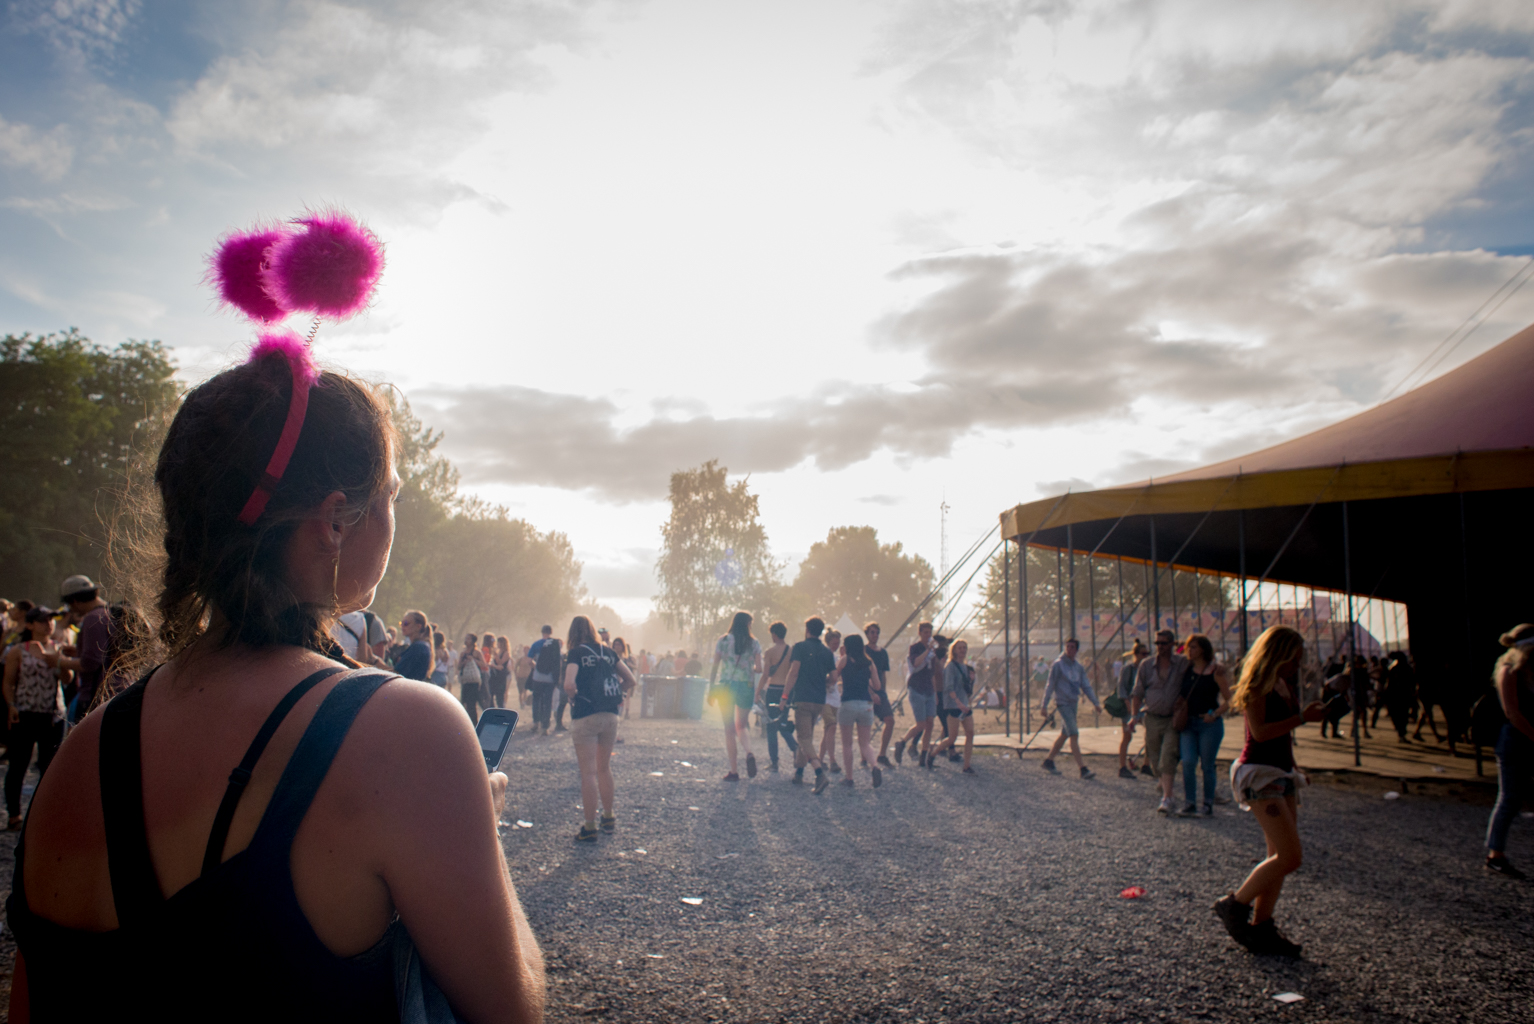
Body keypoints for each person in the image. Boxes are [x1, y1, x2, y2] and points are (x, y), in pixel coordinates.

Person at [5, 341, 544, 1020]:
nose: (394, 519)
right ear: (335, 520)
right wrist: (478, 831)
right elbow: (514, 1009)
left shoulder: (81, 757)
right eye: (392, 496)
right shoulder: (406, 731)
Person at [1214, 626, 1327, 958]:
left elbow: (1282, 738)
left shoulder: (1283, 683)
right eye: (1294, 659)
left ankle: (1262, 926)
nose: (1297, 666)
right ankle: (1234, 905)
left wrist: (1294, 766)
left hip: (1281, 772)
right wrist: (1301, 718)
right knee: (1290, 857)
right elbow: (1261, 733)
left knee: (1277, 856)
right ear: (1278, 655)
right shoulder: (1257, 685)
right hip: (1259, 776)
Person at [563, 615, 635, 842]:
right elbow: (631, 680)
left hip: (586, 714)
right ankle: (609, 816)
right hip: (610, 715)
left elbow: (569, 683)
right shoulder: (609, 652)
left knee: (588, 773)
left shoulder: (576, 653)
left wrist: (573, 697)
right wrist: (617, 693)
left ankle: (590, 826)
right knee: (604, 768)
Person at [2, 606, 66, 830]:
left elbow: (68, 679)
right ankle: (14, 815)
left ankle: (43, 817)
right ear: (30, 625)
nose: (49, 624)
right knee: (18, 766)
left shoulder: (58, 647)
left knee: (49, 769)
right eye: (42, 621)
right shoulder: (18, 650)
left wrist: (58, 662)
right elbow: (8, 681)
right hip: (26, 713)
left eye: (51, 620)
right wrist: (11, 705)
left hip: (53, 715)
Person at [1485, 624, 1534, 878]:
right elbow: (1512, 713)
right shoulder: (1509, 670)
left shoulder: (1527, 670)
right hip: (1515, 741)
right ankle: (1495, 854)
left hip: (1526, 738)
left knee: (1511, 799)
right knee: (1509, 799)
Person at [1131, 629, 1189, 814]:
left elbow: (1200, 668)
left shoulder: (1182, 663)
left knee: (1168, 756)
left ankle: (1167, 797)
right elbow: (1138, 692)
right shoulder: (1147, 665)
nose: (1160, 647)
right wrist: (1134, 716)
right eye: (1157, 643)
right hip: (1152, 717)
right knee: (1155, 760)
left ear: (1172, 644)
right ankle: (1164, 784)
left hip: (1173, 718)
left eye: (1164, 643)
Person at [1178, 634, 1233, 816]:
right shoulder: (1186, 669)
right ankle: (1189, 802)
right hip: (1188, 722)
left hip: (1209, 724)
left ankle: (1208, 803)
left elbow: (1230, 700)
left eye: (1193, 647)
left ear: (1203, 649)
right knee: (1188, 762)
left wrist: (1215, 714)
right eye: (1188, 647)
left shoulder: (1215, 672)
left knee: (1207, 765)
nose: (1189, 650)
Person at [781, 617, 837, 794]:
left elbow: (793, 672)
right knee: (807, 736)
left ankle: (819, 773)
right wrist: (822, 682)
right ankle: (799, 772)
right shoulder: (827, 652)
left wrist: (784, 696)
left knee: (804, 738)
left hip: (802, 698)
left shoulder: (799, 647)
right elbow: (834, 678)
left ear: (807, 630)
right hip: (819, 700)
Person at [709, 611, 763, 781]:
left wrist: (711, 688)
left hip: (726, 686)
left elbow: (715, 666)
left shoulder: (723, 640)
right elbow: (759, 669)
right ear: (747, 624)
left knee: (729, 729)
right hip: (746, 686)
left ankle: (734, 771)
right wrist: (748, 667)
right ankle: (749, 752)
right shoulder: (754, 642)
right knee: (742, 725)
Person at [1039, 638, 1101, 779]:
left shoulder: (1078, 667)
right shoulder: (1058, 665)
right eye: (1068, 646)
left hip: (1073, 702)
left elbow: (1086, 685)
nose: (1069, 649)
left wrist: (1095, 702)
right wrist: (1044, 705)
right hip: (1063, 703)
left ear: (1077, 650)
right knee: (1074, 733)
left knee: (1065, 733)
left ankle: (1049, 761)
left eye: (1072, 647)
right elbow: (1050, 685)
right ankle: (1082, 768)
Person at [829, 633, 883, 788]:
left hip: (848, 703)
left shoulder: (844, 660)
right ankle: (874, 766)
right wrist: (866, 681)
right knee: (865, 743)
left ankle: (849, 778)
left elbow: (833, 678)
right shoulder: (869, 662)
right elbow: (878, 686)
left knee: (847, 744)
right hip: (866, 704)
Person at [55, 575, 110, 723]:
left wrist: (59, 662)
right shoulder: (109, 612)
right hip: (114, 691)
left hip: (95, 695)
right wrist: (78, 651)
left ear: (74, 601)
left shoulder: (93, 618)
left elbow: (90, 663)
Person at [894, 622, 940, 766]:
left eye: (929, 632)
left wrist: (935, 692)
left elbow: (932, 672)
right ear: (920, 633)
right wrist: (928, 650)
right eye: (925, 632)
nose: (928, 635)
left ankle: (923, 756)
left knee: (930, 723)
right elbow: (916, 663)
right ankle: (902, 742)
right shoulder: (915, 648)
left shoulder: (933, 652)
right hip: (916, 689)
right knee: (921, 724)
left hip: (929, 689)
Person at [755, 622, 799, 772]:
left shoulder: (770, 652)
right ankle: (794, 747)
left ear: (774, 634)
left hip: (773, 689)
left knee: (771, 726)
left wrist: (757, 692)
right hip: (787, 690)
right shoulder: (792, 651)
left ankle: (774, 762)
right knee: (782, 723)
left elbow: (765, 675)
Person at [931, 639, 977, 774]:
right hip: (953, 705)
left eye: (964, 648)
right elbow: (949, 687)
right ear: (954, 650)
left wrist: (971, 681)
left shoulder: (965, 667)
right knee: (952, 737)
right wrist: (958, 703)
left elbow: (966, 689)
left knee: (970, 733)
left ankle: (967, 765)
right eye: (960, 648)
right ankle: (933, 753)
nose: (962, 650)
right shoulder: (950, 666)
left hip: (964, 705)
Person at [864, 623, 896, 768]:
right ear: (867, 634)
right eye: (872, 632)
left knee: (890, 720)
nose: (875, 635)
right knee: (866, 724)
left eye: (877, 632)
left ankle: (882, 754)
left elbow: (883, 673)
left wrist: (883, 690)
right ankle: (865, 755)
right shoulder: (863, 650)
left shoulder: (883, 652)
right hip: (865, 691)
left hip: (880, 692)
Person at [1117, 640, 1149, 778]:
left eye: (1147, 653)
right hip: (1129, 707)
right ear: (1136, 654)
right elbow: (1122, 688)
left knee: (1150, 734)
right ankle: (1122, 767)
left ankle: (1146, 764)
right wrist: (1128, 705)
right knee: (1127, 737)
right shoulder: (1128, 669)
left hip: (1143, 707)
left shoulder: (1146, 668)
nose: (1145, 656)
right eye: (1143, 653)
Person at [527, 629, 563, 736]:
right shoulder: (555, 644)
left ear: (542, 632)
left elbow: (529, 660)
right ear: (551, 632)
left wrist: (536, 668)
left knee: (536, 699)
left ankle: (535, 722)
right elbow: (558, 661)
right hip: (550, 678)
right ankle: (545, 727)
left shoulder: (536, 644)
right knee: (547, 701)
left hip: (537, 677)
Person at [818, 629, 844, 773]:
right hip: (824, 697)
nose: (836, 645)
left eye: (838, 643)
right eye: (834, 643)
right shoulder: (824, 656)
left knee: (829, 730)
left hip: (834, 697)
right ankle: (832, 760)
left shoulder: (837, 657)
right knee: (832, 726)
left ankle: (820, 759)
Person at [392, 610, 434, 682]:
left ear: (418, 626)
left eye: (406, 623)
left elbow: (396, 673)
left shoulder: (418, 647)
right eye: (401, 623)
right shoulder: (422, 645)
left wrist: (376, 661)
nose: (402, 626)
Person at [457, 632, 487, 722]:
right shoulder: (463, 653)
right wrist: (464, 662)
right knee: (464, 703)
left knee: (472, 704)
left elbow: (484, 664)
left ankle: (474, 723)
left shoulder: (477, 652)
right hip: (466, 680)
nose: (466, 640)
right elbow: (458, 666)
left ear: (473, 641)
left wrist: (473, 660)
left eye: (468, 639)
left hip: (474, 681)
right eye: (466, 638)